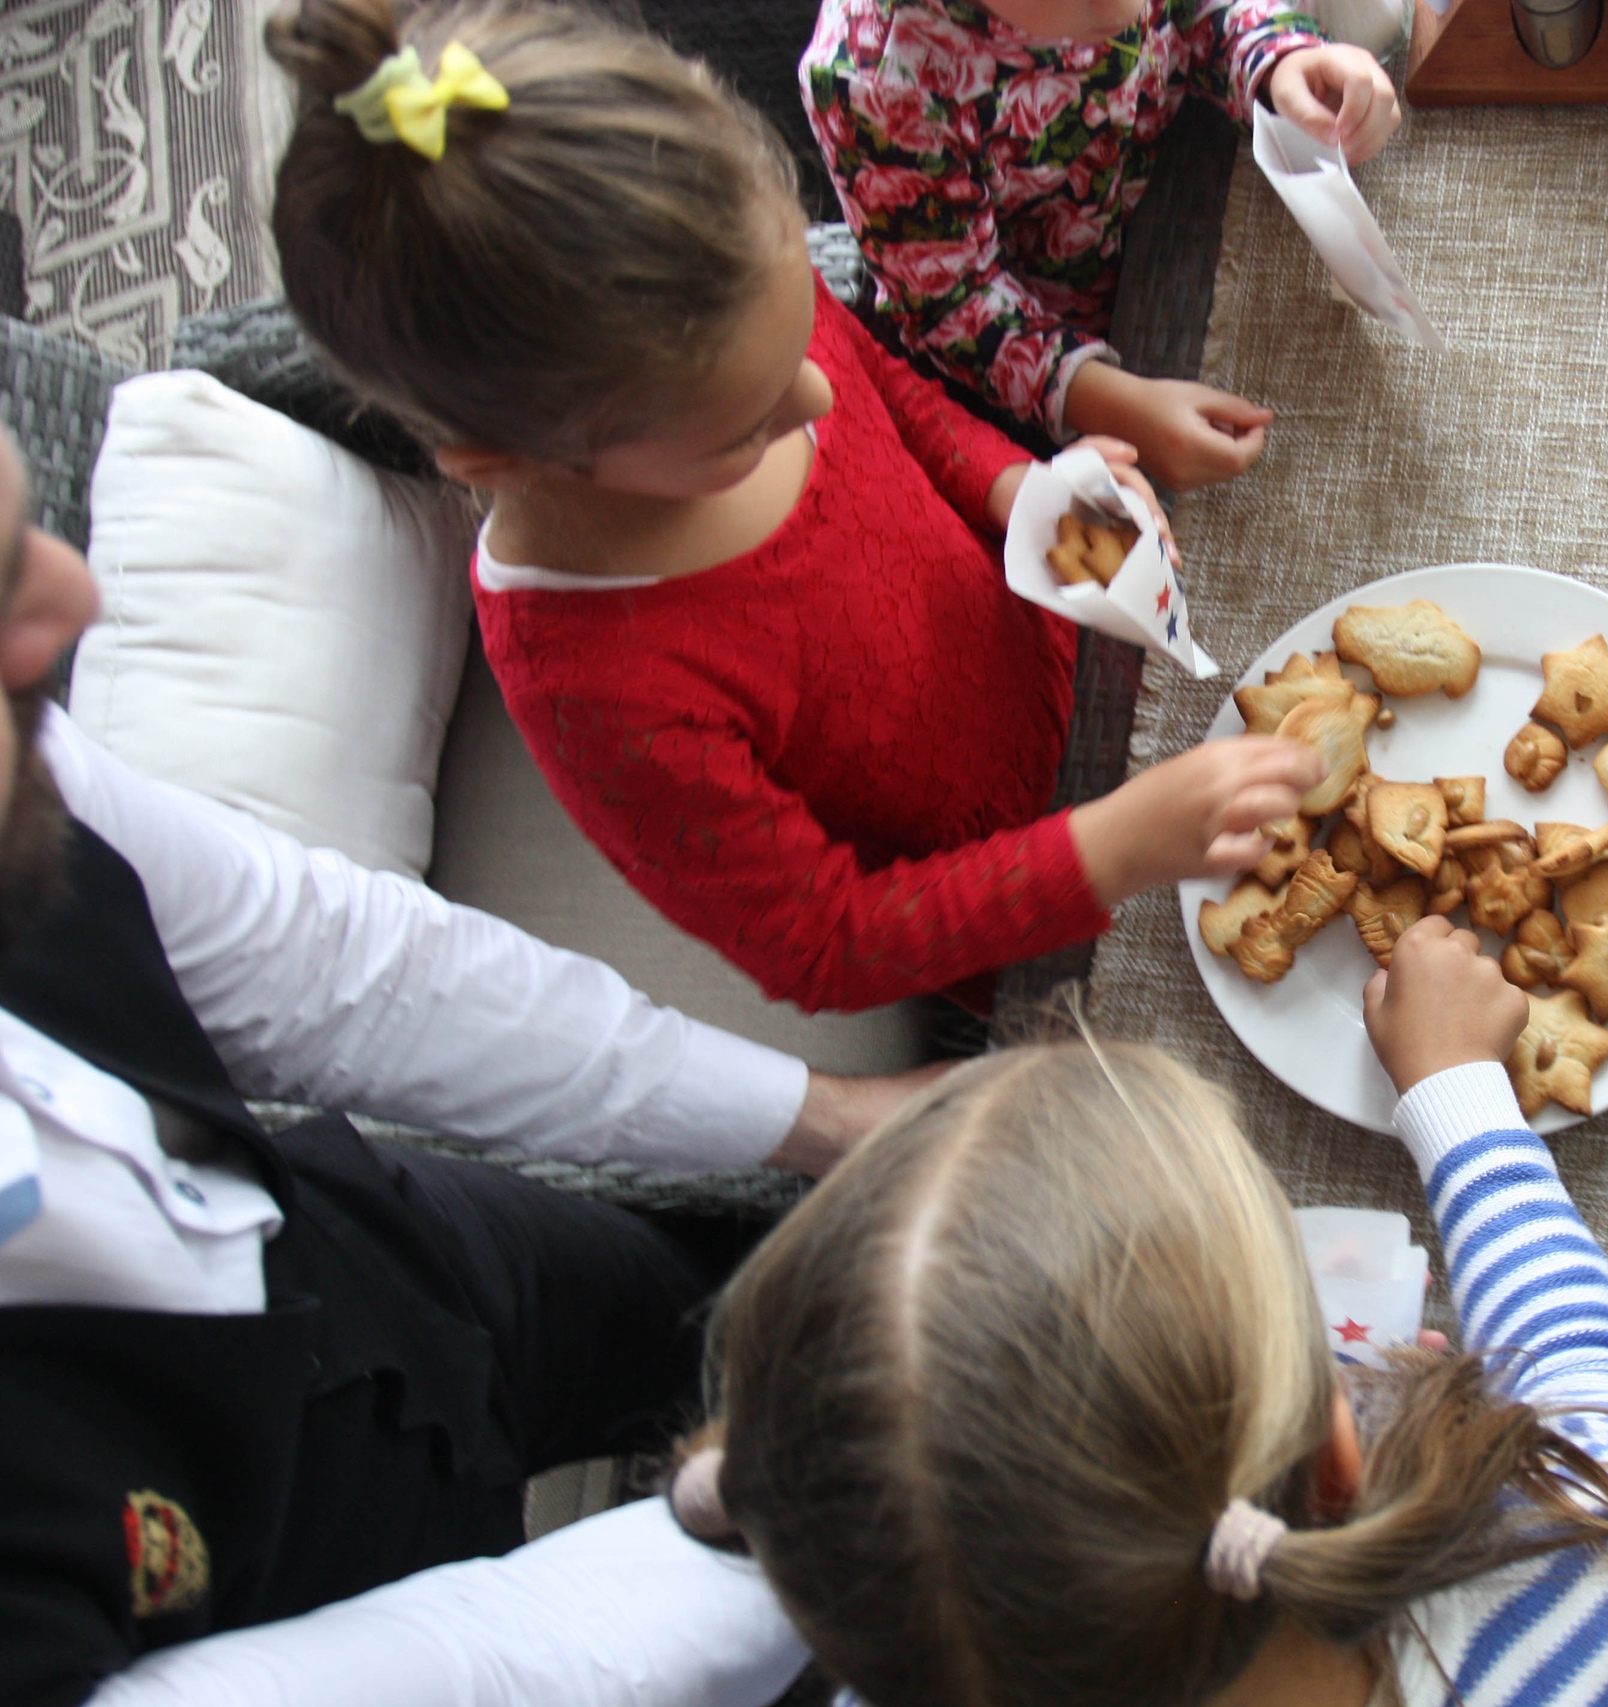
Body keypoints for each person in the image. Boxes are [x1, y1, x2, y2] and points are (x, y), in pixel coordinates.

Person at [0, 416, 916, 1703]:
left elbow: (330, 962)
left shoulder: (27, 783)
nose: (75, 598)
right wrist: (789, 1513)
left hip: (376, 1252)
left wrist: (829, 1117)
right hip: (334, 1578)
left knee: (716, 1303)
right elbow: (496, 1663)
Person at [263, 0, 1320, 1019]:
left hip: (1083, 662)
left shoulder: (720, 308)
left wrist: (1018, 489)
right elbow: (828, 944)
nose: (814, 399)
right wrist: (1112, 847)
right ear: (508, 459)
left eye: (797, 342)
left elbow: (890, 396)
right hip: (1030, 894)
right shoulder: (601, 690)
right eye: (744, 430)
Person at [671, 916, 1608, 1706]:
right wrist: (1454, 1090)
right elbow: (1589, 1366)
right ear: (1338, 1456)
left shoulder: (927, 1646)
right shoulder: (1603, 1566)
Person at [802, 0, 1401, 489]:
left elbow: (1202, 12)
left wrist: (1279, 60)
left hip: (1176, 203)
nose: (1127, 7)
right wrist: (1114, 405)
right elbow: (952, 307)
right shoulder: (874, 81)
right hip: (1047, 350)